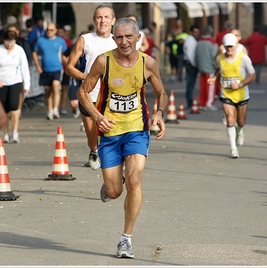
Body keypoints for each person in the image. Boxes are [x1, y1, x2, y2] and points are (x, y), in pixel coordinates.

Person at [77, 17, 168, 259]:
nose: (124, 41)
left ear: (138, 37)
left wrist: (159, 113)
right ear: (113, 38)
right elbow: (83, 92)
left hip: (137, 129)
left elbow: (161, 92)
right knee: (115, 191)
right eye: (119, 37)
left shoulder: (147, 63)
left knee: (135, 181)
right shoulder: (103, 61)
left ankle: (125, 240)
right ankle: (110, 185)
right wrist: (97, 117)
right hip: (109, 132)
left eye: (129, 36)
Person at [65, 4, 117, 170]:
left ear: (113, 21)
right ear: (94, 20)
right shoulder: (85, 39)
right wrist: (87, 77)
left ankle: (112, 165)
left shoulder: (118, 42)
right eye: (99, 17)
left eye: (106, 17)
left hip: (112, 96)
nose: (103, 20)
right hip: (88, 95)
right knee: (92, 136)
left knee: (112, 134)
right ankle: (94, 150)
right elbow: (69, 67)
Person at [208, 33, 256, 158]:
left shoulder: (243, 58)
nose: (229, 49)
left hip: (241, 94)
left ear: (236, 46)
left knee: (241, 121)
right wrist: (214, 78)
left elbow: (252, 75)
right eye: (227, 47)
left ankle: (240, 131)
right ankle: (233, 148)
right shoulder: (220, 58)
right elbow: (220, 69)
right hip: (226, 94)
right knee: (230, 118)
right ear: (223, 46)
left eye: (231, 47)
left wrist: (240, 85)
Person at [0, 30, 30, 143]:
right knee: (4, 109)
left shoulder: (19, 50)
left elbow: (24, 67)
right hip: (2, 82)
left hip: (15, 81)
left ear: (15, 41)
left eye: (11, 42)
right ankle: (6, 133)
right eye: (7, 41)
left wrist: (27, 84)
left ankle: (15, 132)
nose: (8, 44)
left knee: (14, 107)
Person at [32, 22, 67, 120]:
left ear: (56, 31)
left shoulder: (60, 41)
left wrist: (69, 65)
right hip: (45, 69)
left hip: (57, 68)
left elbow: (65, 54)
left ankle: (56, 110)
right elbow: (34, 52)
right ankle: (50, 110)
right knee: (48, 92)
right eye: (47, 29)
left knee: (56, 88)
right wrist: (37, 65)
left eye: (51, 30)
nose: (49, 32)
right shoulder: (41, 40)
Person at [196, 25, 219, 111]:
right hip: (210, 68)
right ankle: (209, 103)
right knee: (210, 87)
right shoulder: (212, 43)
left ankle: (202, 103)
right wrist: (217, 67)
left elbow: (197, 55)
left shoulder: (199, 42)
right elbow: (215, 56)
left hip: (201, 67)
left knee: (203, 87)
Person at [183, 24, 200, 109]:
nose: (197, 34)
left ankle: (190, 101)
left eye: (198, 32)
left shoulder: (192, 40)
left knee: (191, 84)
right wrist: (194, 64)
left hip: (190, 64)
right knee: (190, 84)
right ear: (191, 32)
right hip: (191, 64)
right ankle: (190, 102)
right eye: (195, 32)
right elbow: (190, 54)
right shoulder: (191, 41)